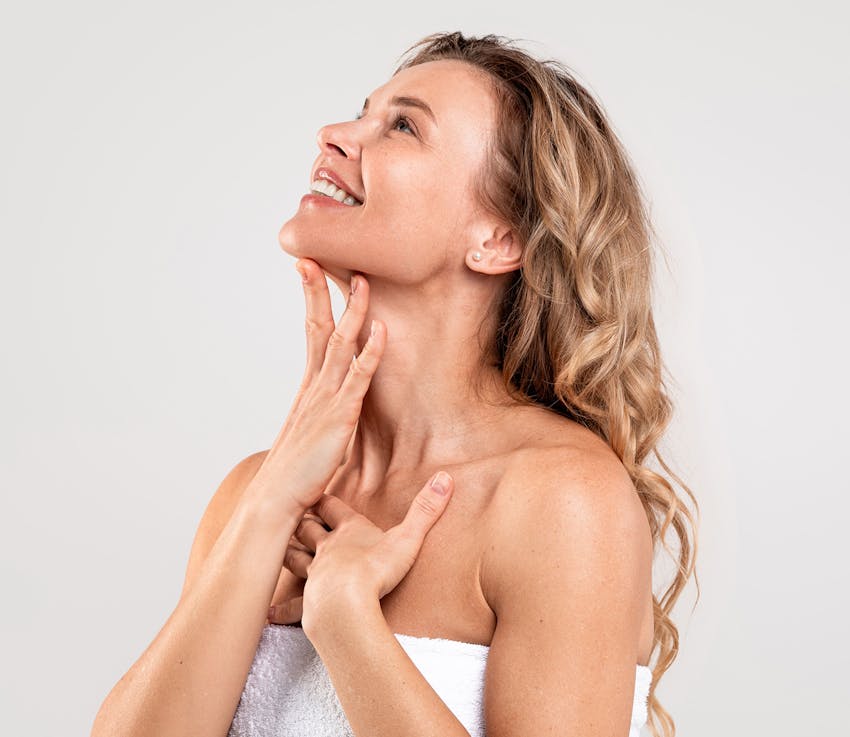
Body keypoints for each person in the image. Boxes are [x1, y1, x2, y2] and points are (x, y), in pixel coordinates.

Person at [91, 31, 698, 737]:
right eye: (363, 111)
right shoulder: (256, 494)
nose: (335, 135)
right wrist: (268, 505)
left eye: (402, 126)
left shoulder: (561, 501)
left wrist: (348, 622)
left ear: (498, 238)